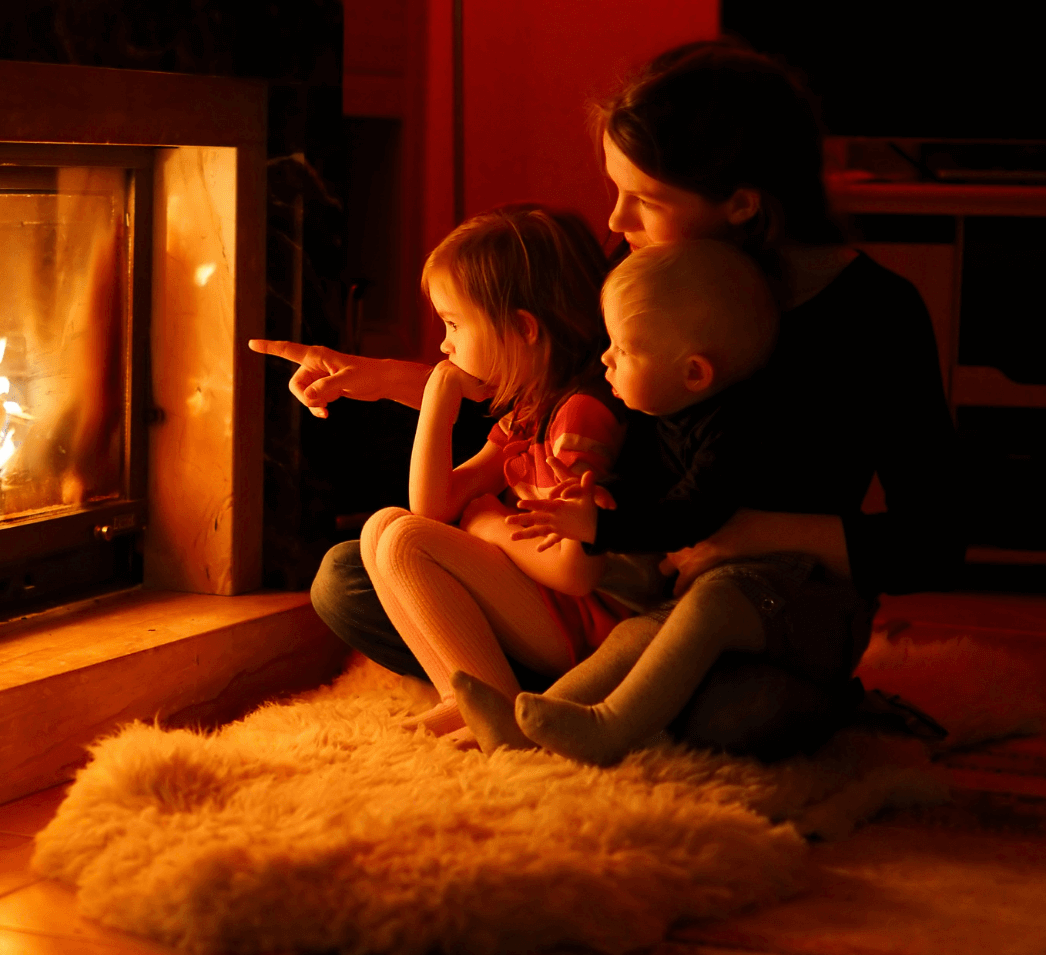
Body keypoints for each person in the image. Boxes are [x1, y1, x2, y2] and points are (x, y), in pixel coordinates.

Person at [258, 38, 962, 760]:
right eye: (615, 190)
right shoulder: (638, 266)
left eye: (644, 200)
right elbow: (552, 401)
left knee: (746, 711)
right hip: (608, 588)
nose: (617, 221)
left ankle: (580, 695)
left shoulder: (875, 314)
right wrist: (384, 381)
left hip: (751, 604)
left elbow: (934, 543)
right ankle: (572, 696)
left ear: (742, 206)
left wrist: (742, 535)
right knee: (349, 577)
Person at [452, 239, 868, 764]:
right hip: (719, 585)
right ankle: (525, 725)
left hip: (794, 596)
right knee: (636, 633)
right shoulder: (661, 413)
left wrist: (599, 529)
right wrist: (600, 497)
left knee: (709, 614)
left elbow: (690, 515)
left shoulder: (736, 431)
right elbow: (644, 485)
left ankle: (608, 728)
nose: (604, 358)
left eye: (624, 350)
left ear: (694, 372)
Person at [350, 204, 631, 740]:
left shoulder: (581, 414)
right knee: (383, 527)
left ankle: (496, 704)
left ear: (523, 328)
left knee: (405, 539)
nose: (444, 343)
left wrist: (485, 524)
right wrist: (439, 395)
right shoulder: (529, 410)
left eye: (455, 324)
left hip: (588, 624)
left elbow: (579, 570)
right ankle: (462, 698)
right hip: (545, 605)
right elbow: (431, 506)